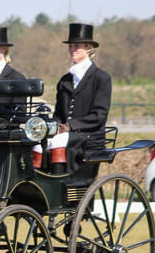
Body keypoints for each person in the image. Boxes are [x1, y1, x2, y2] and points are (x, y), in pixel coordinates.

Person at [36, 23, 111, 173]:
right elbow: (59, 114)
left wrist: (70, 126)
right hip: (66, 134)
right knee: (37, 143)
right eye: (70, 46)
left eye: (76, 46)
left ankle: (58, 180)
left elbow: (99, 116)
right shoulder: (65, 80)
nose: (72, 49)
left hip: (90, 135)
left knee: (57, 140)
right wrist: (52, 128)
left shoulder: (101, 78)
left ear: (88, 48)